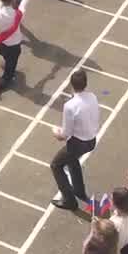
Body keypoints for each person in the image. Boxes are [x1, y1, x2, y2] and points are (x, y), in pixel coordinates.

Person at [50, 70, 100, 210]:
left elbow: (65, 135)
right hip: (91, 140)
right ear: (86, 84)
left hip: (78, 143)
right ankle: (79, 190)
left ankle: (69, 200)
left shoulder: (70, 106)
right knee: (72, 161)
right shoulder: (93, 97)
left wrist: (56, 132)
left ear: (71, 85)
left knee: (56, 165)